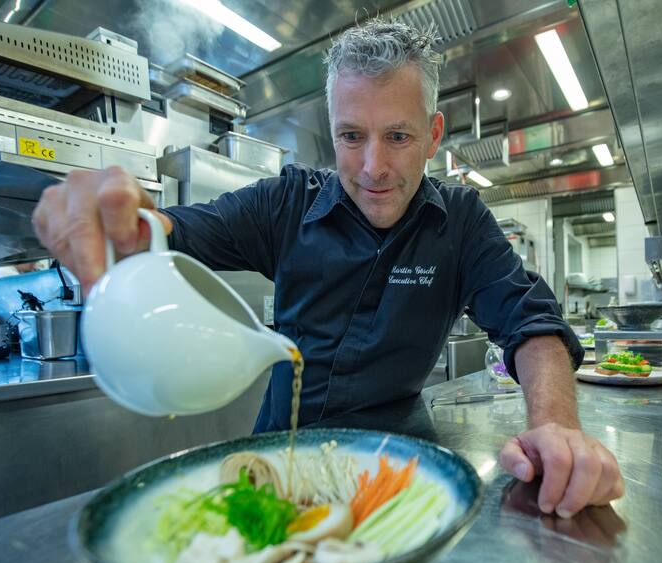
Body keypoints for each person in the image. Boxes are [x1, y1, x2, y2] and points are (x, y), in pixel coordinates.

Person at [32, 20, 623, 518]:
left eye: (398, 136)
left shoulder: (461, 222)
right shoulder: (284, 204)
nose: (373, 167)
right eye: (352, 136)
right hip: (276, 463)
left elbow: (529, 320)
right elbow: (169, 232)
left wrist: (555, 425)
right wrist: (118, 225)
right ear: (333, 129)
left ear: (433, 134)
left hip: (396, 467)